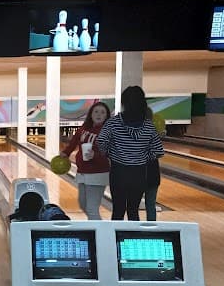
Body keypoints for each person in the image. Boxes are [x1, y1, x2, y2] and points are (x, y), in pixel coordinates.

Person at [96, 86, 163, 221]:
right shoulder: (149, 126)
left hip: (118, 172)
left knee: (118, 211)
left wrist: (109, 154)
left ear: (124, 103)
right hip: (138, 174)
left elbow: (100, 142)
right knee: (133, 211)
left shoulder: (113, 123)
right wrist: (143, 157)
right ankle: (133, 240)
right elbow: (158, 151)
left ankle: (113, 241)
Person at [60, 101, 111, 220]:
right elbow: (74, 142)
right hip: (83, 172)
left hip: (98, 173)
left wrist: (95, 155)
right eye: (96, 111)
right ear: (91, 114)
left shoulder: (107, 132)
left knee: (92, 209)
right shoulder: (84, 128)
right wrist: (66, 153)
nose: (99, 114)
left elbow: (109, 155)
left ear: (106, 116)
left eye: (103, 112)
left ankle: (100, 235)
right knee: (83, 204)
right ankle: (98, 229)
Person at [144, 107, 165, 222]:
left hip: (140, 175)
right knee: (150, 205)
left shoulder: (135, 133)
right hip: (152, 175)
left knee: (133, 206)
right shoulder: (153, 133)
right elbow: (159, 153)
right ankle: (151, 230)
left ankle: (132, 232)